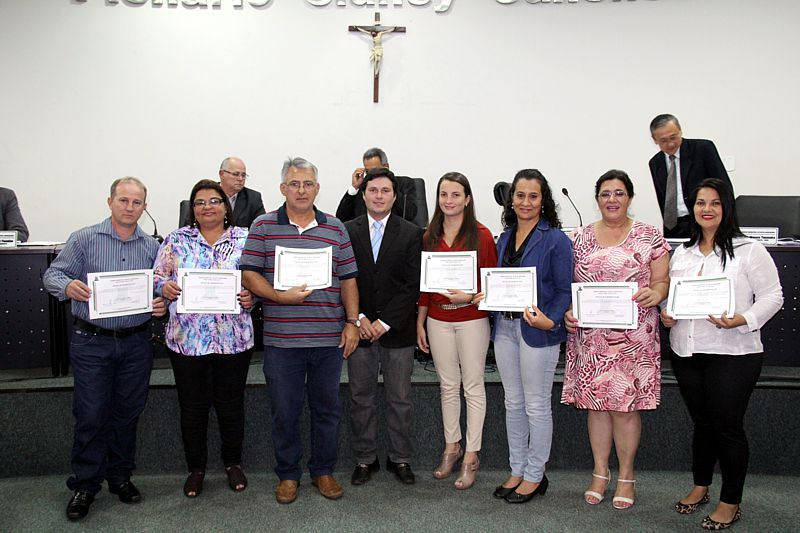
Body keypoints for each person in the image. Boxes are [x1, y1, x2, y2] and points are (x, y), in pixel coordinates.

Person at [661, 178, 783, 530]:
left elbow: (773, 296)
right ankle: (701, 486)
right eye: (701, 203)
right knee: (703, 424)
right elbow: (672, 298)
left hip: (733, 353)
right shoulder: (682, 253)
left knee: (727, 427)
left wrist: (742, 319)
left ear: (726, 207)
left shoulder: (749, 250)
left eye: (715, 203)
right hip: (687, 350)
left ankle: (730, 501)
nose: (707, 209)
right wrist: (667, 314)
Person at [42, 177, 167, 521]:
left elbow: (160, 287)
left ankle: (120, 477)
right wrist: (68, 286)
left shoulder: (152, 246)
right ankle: (85, 485)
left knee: (128, 412)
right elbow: (52, 275)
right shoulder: (83, 239)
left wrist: (161, 304)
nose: (130, 207)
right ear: (109, 201)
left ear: (145, 207)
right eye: (123, 200)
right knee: (92, 414)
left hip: (137, 342)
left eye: (137, 202)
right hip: (92, 342)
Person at [240, 157, 359, 504]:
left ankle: (323, 471)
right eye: (294, 184)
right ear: (283, 188)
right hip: (282, 341)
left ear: (317, 188)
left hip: (328, 339)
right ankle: (288, 474)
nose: (301, 190)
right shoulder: (263, 226)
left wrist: (352, 323)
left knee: (327, 410)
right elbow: (249, 274)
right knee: (285, 411)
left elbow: (349, 280)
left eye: (308, 184)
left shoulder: (335, 228)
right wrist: (279, 296)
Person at [562, 170, 670, 510]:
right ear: (597, 199)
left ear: (630, 198)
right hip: (591, 339)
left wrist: (657, 293)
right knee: (596, 407)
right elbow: (566, 286)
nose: (612, 199)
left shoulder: (649, 235)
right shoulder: (578, 238)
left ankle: (626, 476)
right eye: (606, 193)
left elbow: (662, 280)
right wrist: (568, 311)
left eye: (619, 193)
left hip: (634, 339)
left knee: (624, 409)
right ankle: (599, 472)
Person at [153, 179, 255, 499]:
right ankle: (195, 469)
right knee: (192, 407)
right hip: (187, 340)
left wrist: (253, 296)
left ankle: (232, 463)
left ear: (226, 207)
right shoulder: (176, 240)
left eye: (214, 201)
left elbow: (262, 279)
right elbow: (157, 276)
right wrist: (164, 287)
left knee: (231, 405)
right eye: (200, 202)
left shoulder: (246, 239)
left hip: (233, 339)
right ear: (192, 209)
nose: (207, 207)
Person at [486, 169, 573, 504]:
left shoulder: (556, 239)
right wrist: (487, 296)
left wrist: (551, 321)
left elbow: (564, 288)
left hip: (538, 331)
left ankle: (535, 474)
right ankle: (517, 468)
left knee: (536, 405)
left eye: (533, 196)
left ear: (543, 200)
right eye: (520, 195)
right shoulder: (505, 237)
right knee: (513, 402)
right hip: (506, 328)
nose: (526, 202)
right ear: (511, 200)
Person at [416, 172, 498, 490]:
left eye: (455, 195)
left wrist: (470, 296)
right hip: (437, 319)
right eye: (443, 194)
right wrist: (420, 321)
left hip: (472, 319)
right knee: (448, 386)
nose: (448, 200)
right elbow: (425, 288)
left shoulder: (482, 235)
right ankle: (452, 447)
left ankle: (471, 456)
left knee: (473, 386)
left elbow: (491, 285)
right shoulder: (429, 236)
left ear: (467, 199)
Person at [344, 167, 424, 487]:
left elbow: (411, 284)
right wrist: (360, 318)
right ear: (364, 195)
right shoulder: (347, 231)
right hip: (360, 328)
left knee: (400, 399)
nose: (379, 196)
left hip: (397, 331)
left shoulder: (412, 233)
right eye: (373, 190)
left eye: (385, 191)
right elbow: (344, 279)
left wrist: (385, 322)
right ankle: (365, 458)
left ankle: (399, 457)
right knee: (360, 397)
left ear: (394, 196)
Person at [648, 114, 731, 239]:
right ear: (655, 140)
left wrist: (726, 224)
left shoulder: (703, 149)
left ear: (680, 131)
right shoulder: (655, 163)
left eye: (673, 137)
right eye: (663, 141)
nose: (670, 144)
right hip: (674, 228)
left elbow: (724, 188)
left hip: (706, 223)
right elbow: (663, 201)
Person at [335, 147, 418, 224]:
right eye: (367, 172)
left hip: (395, 232)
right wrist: (354, 187)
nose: (371, 174)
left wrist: (391, 186)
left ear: (386, 167)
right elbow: (341, 218)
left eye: (374, 170)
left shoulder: (405, 184)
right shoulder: (364, 188)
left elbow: (410, 214)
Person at [179, 157, 265, 229]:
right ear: (222, 174)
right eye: (236, 174)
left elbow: (261, 228)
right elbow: (188, 226)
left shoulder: (253, 198)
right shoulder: (205, 194)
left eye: (243, 175)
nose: (240, 179)